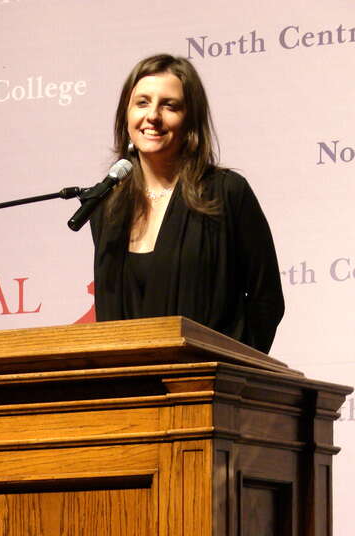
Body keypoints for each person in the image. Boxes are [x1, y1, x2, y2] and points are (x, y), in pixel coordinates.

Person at [90, 54, 284, 354]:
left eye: (169, 106)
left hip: (206, 386)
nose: (152, 116)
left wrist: (230, 370)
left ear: (190, 119)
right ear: (125, 115)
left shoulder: (227, 192)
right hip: (125, 388)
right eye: (142, 102)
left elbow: (266, 299)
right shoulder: (107, 206)